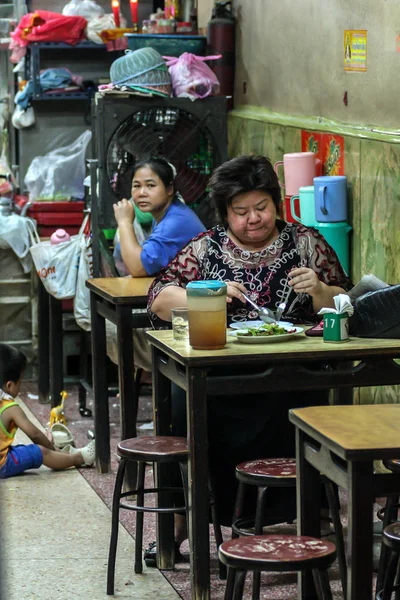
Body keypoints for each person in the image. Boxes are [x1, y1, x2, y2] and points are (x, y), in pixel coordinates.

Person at [147, 154, 352, 557]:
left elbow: (346, 300)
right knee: (180, 407)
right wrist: (206, 294)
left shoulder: (305, 242)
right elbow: (157, 298)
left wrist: (321, 291)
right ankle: (180, 522)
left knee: (310, 408)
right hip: (216, 375)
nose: (253, 219)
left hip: (294, 372)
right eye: (241, 212)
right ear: (225, 215)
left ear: (277, 205)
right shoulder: (206, 249)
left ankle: (316, 516)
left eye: (261, 208)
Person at [106, 156, 206, 374]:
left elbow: (138, 268)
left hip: (197, 316)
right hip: (182, 303)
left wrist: (124, 222)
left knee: (114, 329)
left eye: (151, 185)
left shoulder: (176, 221)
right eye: (137, 186)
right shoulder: (163, 214)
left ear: (169, 189)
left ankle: (165, 373)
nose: (142, 193)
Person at [0, 344, 95, 478]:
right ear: (9, 385)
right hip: (2, 465)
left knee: (20, 450)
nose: (20, 387)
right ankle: (79, 458)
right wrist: (53, 449)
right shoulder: (10, 407)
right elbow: (35, 435)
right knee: (39, 451)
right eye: (20, 383)